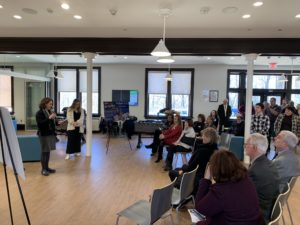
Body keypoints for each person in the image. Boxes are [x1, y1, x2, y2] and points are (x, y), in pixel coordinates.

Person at [195, 150, 265, 225]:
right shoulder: (246, 180)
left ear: (215, 169)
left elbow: (200, 207)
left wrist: (206, 179)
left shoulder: (220, 190)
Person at [169, 127, 218, 194]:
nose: (202, 137)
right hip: (204, 178)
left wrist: (183, 169)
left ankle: (180, 192)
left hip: (195, 178)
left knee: (171, 172)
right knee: (178, 168)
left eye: (204, 135)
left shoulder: (202, 151)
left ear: (209, 138)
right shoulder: (215, 151)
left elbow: (190, 168)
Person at [244, 133, 279, 223]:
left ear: (254, 147)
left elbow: (244, 196)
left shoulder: (255, 170)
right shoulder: (269, 163)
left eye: (246, 144)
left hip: (258, 215)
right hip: (267, 208)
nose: (244, 146)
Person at [36, 97, 57, 176]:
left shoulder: (49, 112)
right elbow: (40, 124)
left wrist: (58, 122)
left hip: (50, 134)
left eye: (52, 104)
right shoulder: (39, 113)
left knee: (48, 152)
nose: (51, 105)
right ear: (45, 104)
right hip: (43, 134)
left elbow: (52, 123)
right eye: (50, 104)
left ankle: (47, 167)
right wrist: (49, 118)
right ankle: (43, 169)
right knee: (44, 152)